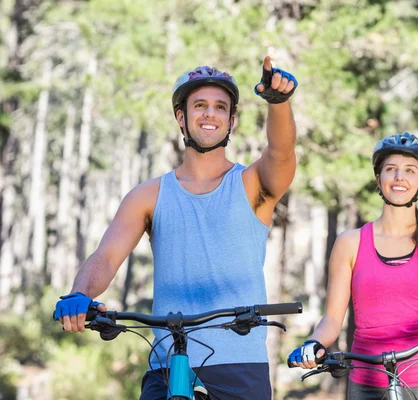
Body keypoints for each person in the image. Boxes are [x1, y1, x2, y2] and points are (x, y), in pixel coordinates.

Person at [53, 56, 298, 400]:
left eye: (219, 107)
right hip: (167, 366)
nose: (209, 113)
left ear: (232, 121)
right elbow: (106, 257)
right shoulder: (148, 195)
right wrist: (81, 293)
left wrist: (279, 102)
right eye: (199, 105)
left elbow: (282, 151)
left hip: (240, 367)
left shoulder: (252, 184)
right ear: (181, 117)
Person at [288, 132, 418, 399]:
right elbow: (332, 319)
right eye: (390, 169)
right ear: (379, 179)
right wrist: (313, 344)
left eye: (410, 170)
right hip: (367, 378)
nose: (399, 177)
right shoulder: (350, 243)